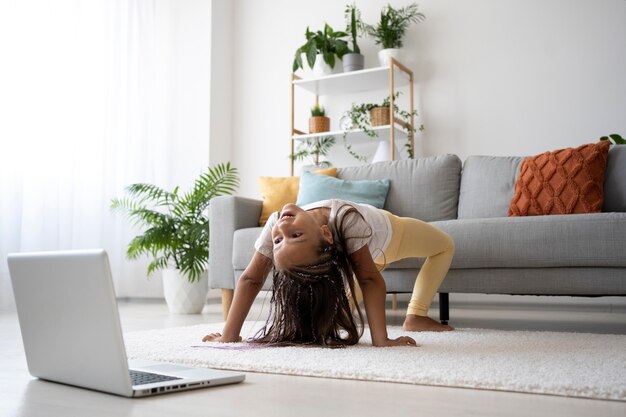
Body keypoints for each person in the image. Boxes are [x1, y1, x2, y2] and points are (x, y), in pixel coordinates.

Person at [202, 199, 455, 348]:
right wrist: (382, 341)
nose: (282, 229)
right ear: (326, 235)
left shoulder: (337, 219)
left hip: (380, 242)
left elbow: (368, 277)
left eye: (290, 237)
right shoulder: (335, 222)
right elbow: (251, 278)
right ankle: (416, 315)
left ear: (326, 234)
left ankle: (412, 315)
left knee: (443, 245)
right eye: (279, 240)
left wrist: (228, 335)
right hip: (383, 246)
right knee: (446, 246)